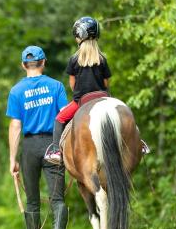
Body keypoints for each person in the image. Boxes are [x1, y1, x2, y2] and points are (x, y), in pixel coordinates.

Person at [45, 16, 150, 164]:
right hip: (103, 97)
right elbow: (106, 82)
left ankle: (56, 152)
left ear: (79, 36)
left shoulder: (74, 59)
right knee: (124, 113)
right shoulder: (102, 59)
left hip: (82, 101)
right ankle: (139, 143)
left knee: (59, 119)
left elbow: (72, 83)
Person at [6, 45, 70, 229]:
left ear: (24, 65)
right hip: (52, 144)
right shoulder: (56, 86)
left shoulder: (16, 91)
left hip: (30, 147)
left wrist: (13, 158)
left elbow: (15, 125)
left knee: (32, 202)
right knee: (58, 198)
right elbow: (64, 117)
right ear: (43, 63)